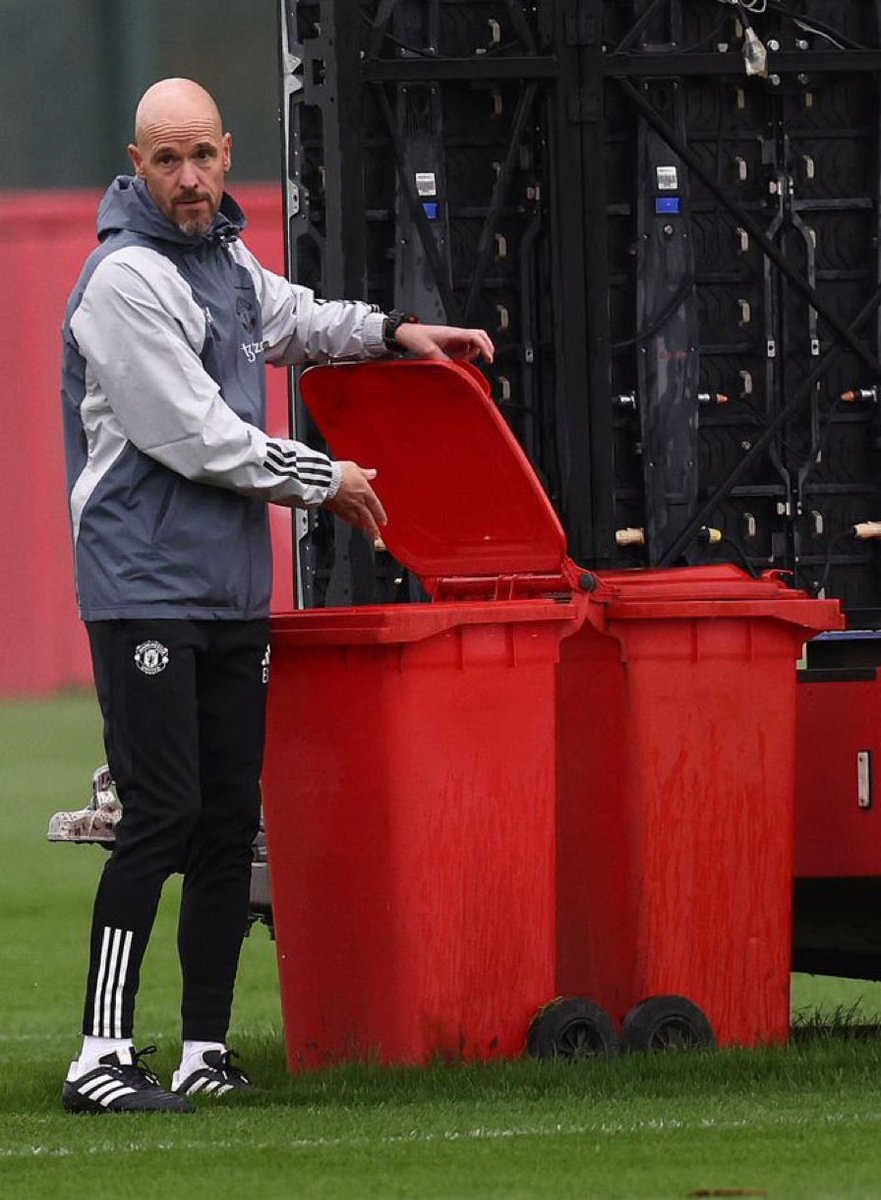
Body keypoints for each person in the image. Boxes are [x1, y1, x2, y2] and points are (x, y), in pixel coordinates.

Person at [60, 77, 494, 1114]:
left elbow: (292, 320)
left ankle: (202, 1049)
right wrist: (322, 479)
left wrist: (395, 333)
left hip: (226, 588)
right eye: (166, 162)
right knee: (159, 817)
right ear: (136, 165)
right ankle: (98, 1057)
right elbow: (191, 433)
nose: (190, 179)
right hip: (143, 586)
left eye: (202, 156)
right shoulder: (122, 280)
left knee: (222, 823)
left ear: (225, 149)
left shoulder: (224, 264)